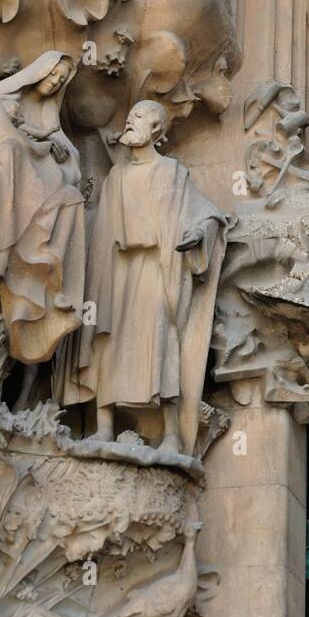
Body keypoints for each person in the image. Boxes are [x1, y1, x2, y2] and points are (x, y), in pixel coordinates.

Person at [72, 100, 227, 456]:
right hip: (116, 273)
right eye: (129, 117)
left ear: (157, 129)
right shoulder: (116, 178)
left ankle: (172, 433)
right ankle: (104, 426)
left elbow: (210, 215)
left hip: (158, 270)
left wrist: (198, 233)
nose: (129, 121)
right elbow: (100, 231)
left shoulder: (173, 172)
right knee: (107, 342)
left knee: (162, 342)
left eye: (138, 117)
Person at [0, 52, 84, 372]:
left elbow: (68, 156)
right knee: (10, 152)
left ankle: (46, 271)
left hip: (24, 186)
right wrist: (37, 146)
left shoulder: (47, 114)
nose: (55, 81)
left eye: (61, 79)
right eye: (53, 73)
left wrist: (56, 149)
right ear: (39, 71)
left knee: (68, 195)